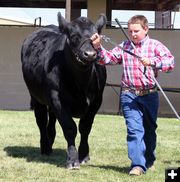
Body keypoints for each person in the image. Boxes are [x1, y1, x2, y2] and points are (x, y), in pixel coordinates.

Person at [91, 15, 175, 176]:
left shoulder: (155, 45)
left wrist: (152, 62)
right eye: (130, 31)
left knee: (150, 130)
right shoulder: (125, 46)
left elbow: (170, 63)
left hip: (150, 94)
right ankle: (137, 165)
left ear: (146, 29)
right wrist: (97, 47)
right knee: (134, 130)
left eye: (136, 31)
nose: (133, 34)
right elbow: (107, 59)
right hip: (129, 95)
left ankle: (149, 159)